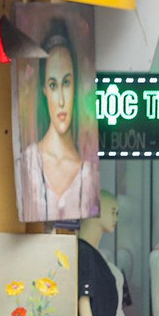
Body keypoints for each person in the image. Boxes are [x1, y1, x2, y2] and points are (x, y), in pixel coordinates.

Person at [19, 19, 99, 221]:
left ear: (75, 87)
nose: (62, 101)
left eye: (66, 83)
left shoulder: (87, 175)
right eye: (53, 85)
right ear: (44, 90)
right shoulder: (28, 163)